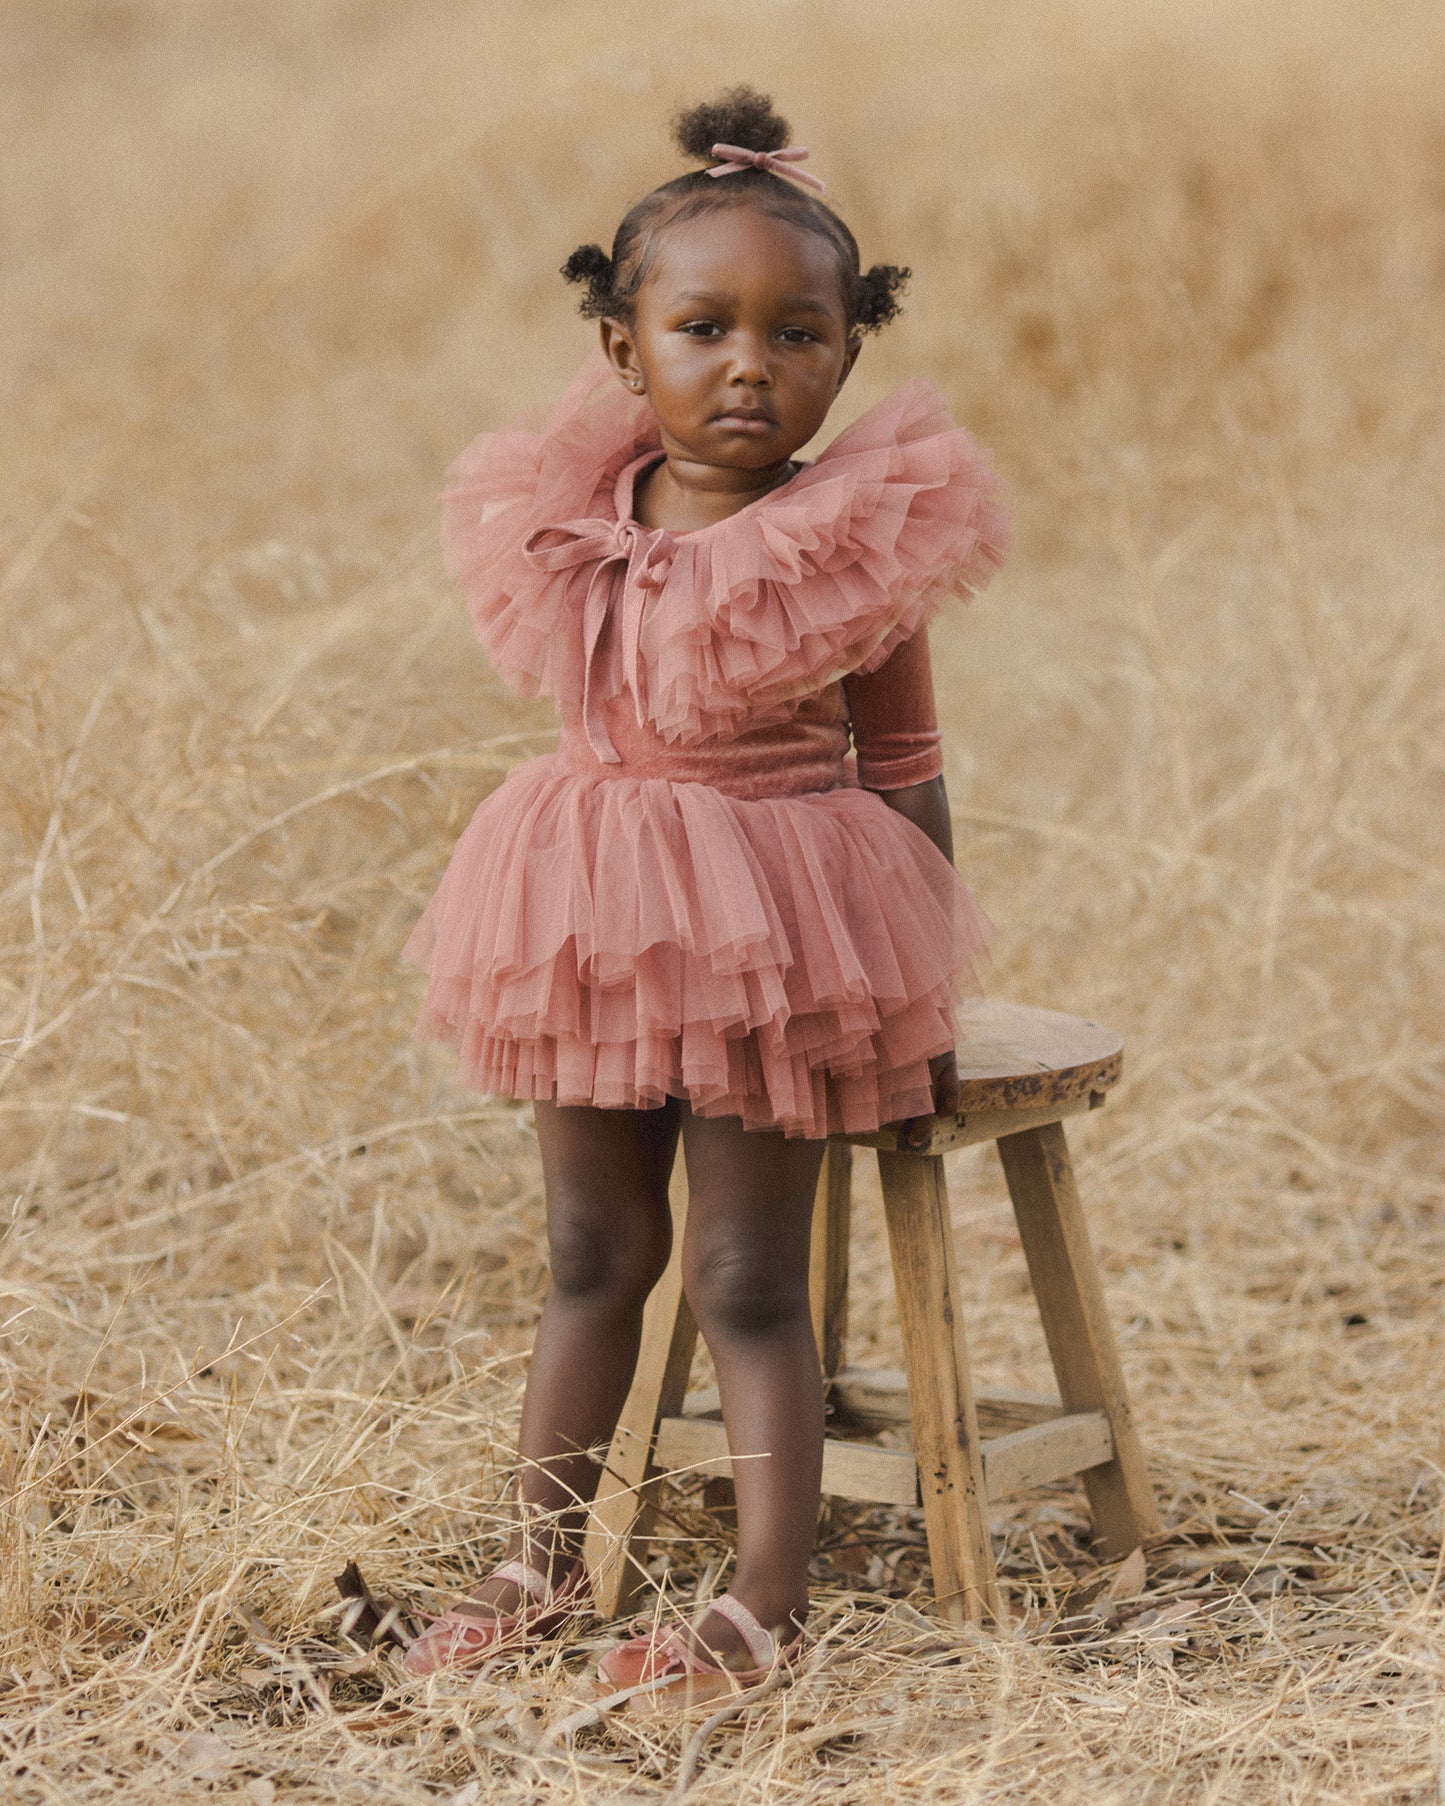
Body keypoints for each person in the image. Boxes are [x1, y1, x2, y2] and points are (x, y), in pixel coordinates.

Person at [400, 86, 1009, 1704]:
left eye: (797, 332)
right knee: (592, 1247)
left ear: (846, 356)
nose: (752, 363)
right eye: (704, 326)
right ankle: (531, 1562)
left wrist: (919, 991)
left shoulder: (856, 541)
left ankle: (761, 1602)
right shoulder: (566, 521)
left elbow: (907, 769)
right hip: (589, 914)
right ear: (623, 349)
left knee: (744, 1273)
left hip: (786, 934)